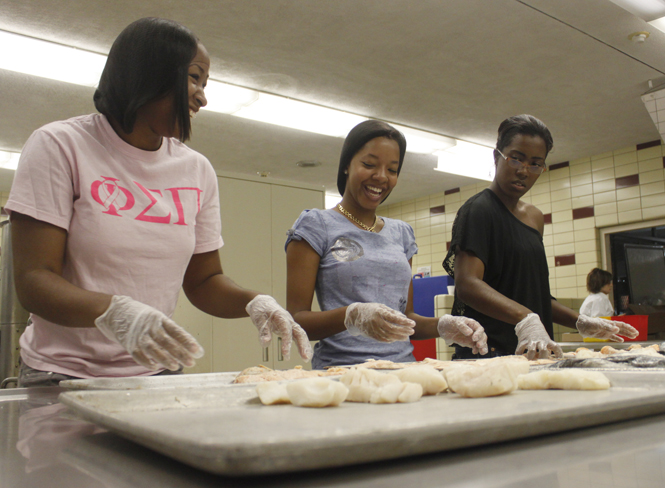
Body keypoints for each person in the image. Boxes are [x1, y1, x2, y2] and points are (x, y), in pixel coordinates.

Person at [7, 17, 311, 387]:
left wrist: (254, 302)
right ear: (148, 74)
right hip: (61, 375)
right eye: (194, 78)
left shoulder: (196, 170)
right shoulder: (61, 145)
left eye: (205, 83)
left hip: (155, 373)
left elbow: (204, 280)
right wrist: (114, 311)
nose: (203, 96)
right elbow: (34, 279)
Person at [285, 120, 487, 369]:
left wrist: (443, 325)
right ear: (347, 165)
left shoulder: (401, 233)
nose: (381, 177)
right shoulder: (316, 224)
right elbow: (296, 320)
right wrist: (352, 315)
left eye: (392, 170)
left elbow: (406, 320)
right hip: (341, 372)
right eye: (369, 164)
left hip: (402, 370)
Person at [442, 114, 638, 360]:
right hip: (488, 354)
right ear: (497, 156)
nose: (524, 171)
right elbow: (468, 285)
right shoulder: (479, 210)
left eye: (536, 163)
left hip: (535, 352)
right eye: (516, 158)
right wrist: (525, 318)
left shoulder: (534, 217)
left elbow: (534, 296)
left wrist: (581, 321)